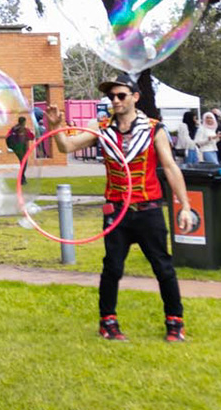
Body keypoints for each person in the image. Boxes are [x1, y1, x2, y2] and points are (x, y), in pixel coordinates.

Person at [46, 75, 195, 343]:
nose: (115, 100)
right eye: (111, 96)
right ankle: (108, 322)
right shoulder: (100, 128)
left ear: (135, 97)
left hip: (148, 209)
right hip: (116, 212)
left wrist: (184, 205)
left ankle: (175, 322)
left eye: (121, 95)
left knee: (163, 268)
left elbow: (170, 167)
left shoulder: (154, 129)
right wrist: (56, 127)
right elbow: (67, 145)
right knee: (112, 268)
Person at [5, 116, 32, 185]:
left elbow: (7, 136)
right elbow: (32, 136)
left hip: (16, 148)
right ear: (24, 122)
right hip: (23, 148)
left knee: (22, 163)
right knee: (24, 163)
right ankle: (22, 179)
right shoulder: (25, 130)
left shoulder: (13, 129)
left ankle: (23, 179)